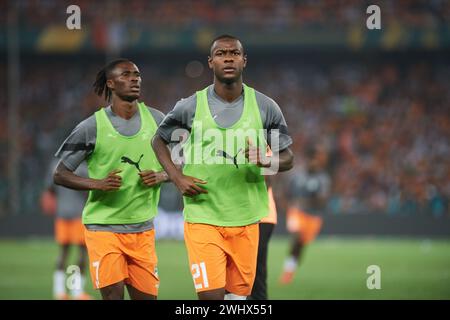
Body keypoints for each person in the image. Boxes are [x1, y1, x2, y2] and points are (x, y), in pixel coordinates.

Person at [152, 34, 294, 300]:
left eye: (234, 53)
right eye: (221, 53)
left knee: (238, 300)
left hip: (248, 220)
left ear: (244, 60)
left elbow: (287, 158)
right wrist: (177, 178)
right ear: (210, 62)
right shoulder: (190, 106)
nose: (228, 58)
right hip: (203, 217)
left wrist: (267, 160)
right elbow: (157, 140)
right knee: (211, 298)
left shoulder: (266, 107)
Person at [53, 59, 167, 300]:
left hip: (143, 229)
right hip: (104, 229)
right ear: (111, 84)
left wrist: (162, 175)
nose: (135, 78)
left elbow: (182, 164)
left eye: (137, 74)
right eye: (126, 74)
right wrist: (98, 184)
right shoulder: (91, 127)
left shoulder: (158, 121)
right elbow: (60, 174)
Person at [40, 159, 92, 300]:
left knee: (63, 252)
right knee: (81, 254)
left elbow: (50, 188)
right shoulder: (83, 166)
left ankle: (59, 291)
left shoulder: (56, 164)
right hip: (78, 215)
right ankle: (76, 292)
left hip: (63, 213)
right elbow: (89, 191)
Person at [279, 145, 330, 284]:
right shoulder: (297, 175)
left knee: (301, 245)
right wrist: (287, 205)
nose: (314, 163)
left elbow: (323, 200)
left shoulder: (322, 178)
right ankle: (287, 272)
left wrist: (307, 201)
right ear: (308, 159)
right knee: (296, 236)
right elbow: (286, 192)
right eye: (313, 159)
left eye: (317, 160)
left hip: (313, 216)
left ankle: (290, 270)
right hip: (297, 212)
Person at [248, 176, 278, 300]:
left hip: (261, 217)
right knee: (257, 264)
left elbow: (267, 179)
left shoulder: (262, 157)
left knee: (250, 263)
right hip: (257, 216)